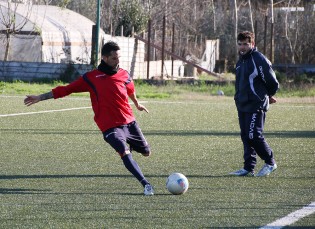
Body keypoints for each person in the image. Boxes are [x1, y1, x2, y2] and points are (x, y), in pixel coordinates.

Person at [24, 41, 154, 195]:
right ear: (104, 58)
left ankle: (131, 145)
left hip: (130, 123)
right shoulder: (91, 78)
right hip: (110, 126)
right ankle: (146, 184)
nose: (117, 60)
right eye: (114, 58)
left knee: (146, 153)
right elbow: (67, 89)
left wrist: (137, 104)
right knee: (123, 152)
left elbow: (130, 88)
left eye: (119, 57)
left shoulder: (124, 74)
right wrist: (40, 97)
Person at [230, 31, 279, 177]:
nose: (243, 47)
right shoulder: (240, 61)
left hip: (256, 104)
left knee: (254, 136)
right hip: (242, 104)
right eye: (240, 44)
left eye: (246, 44)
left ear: (252, 44)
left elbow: (271, 81)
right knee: (246, 136)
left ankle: (270, 162)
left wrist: (269, 95)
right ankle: (248, 168)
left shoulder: (258, 59)